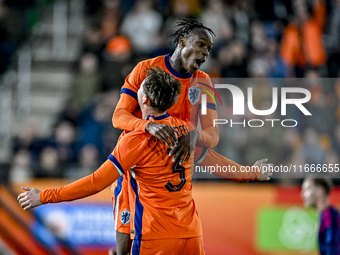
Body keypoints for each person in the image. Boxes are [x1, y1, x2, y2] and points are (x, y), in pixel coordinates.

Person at [17, 68, 271, 254]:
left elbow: (96, 182)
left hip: (154, 238)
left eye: (140, 87)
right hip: (191, 236)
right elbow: (216, 163)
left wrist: (45, 196)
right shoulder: (185, 130)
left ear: (145, 99)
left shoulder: (135, 140)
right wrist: (252, 172)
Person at [111, 18, 272, 255]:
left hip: (174, 171)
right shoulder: (145, 69)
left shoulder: (203, 84)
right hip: (134, 169)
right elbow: (118, 117)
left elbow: (212, 137)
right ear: (182, 40)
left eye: (209, 48)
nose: (205, 52)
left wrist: (195, 135)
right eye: (201, 44)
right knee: (124, 246)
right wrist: (147, 127)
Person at [301, 177, 340, 255]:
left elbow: (333, 249)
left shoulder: (329, 217)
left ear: (320, 191)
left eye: (307, 189)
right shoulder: (325, 216)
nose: (302, 194)